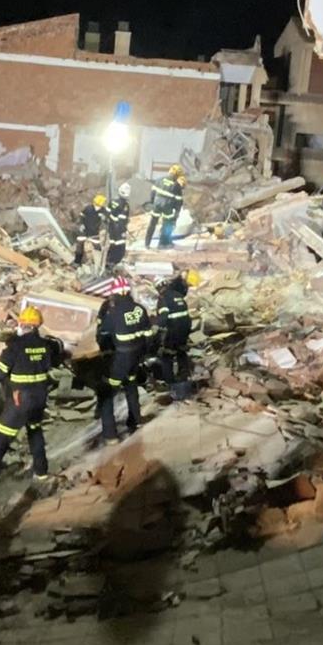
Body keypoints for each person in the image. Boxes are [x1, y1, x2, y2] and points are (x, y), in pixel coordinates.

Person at [0, 307, 69, 504]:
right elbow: (54, 360)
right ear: (38, 325)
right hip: (39, 397)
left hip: (20, 400)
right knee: (35, 431)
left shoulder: (15, 347)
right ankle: (41, 472)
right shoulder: (46, 345)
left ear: (22, 324)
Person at [92, 286, 154, 447]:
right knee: (131, 384)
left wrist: (105, 351)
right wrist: (142, 354)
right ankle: (136, 421)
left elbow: (104, 336)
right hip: (137, 355)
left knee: (106, 392)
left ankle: (111, 435)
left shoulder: (114, 313)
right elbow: (149, 336)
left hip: (121, 357)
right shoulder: (139, 309)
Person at [156, 270, 200, 399]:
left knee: (166, 355)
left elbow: (163, 318)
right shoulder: (177, 294)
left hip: (174, 329)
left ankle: (170, 382)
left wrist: (156, 329)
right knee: (181, 351)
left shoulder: (163, 298)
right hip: (185, 328)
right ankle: (184, 375)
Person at [146, 164, 187, 249]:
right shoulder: (176, 185)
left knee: (152, 224)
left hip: (156, 205)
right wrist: (177, 212)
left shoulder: (159, 180)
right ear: (177, 175)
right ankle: (162, 244)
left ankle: (147, 243)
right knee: (167, 225)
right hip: (167, 207)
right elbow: (178, 201)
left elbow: (152, 193)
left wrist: (152, 203)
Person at [104, 184, 132, 269]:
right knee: (120, 249)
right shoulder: (125, 205)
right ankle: (113, 263)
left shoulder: (112, 201)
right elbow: (122, 219)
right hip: (118, 230)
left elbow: (107, 214)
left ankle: (107, 261)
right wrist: (123, 231)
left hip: (111, 227)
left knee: (112, 245)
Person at [75, 195, 107, 268]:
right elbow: (81, 216)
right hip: (84, 231)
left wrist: (105, 218)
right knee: (79, 245)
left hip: (94, 232)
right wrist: (81, 224)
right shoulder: (88, 208)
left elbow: (107, 219)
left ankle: (98, 264)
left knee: (97, 247)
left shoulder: (103, 210)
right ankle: (77, 262)